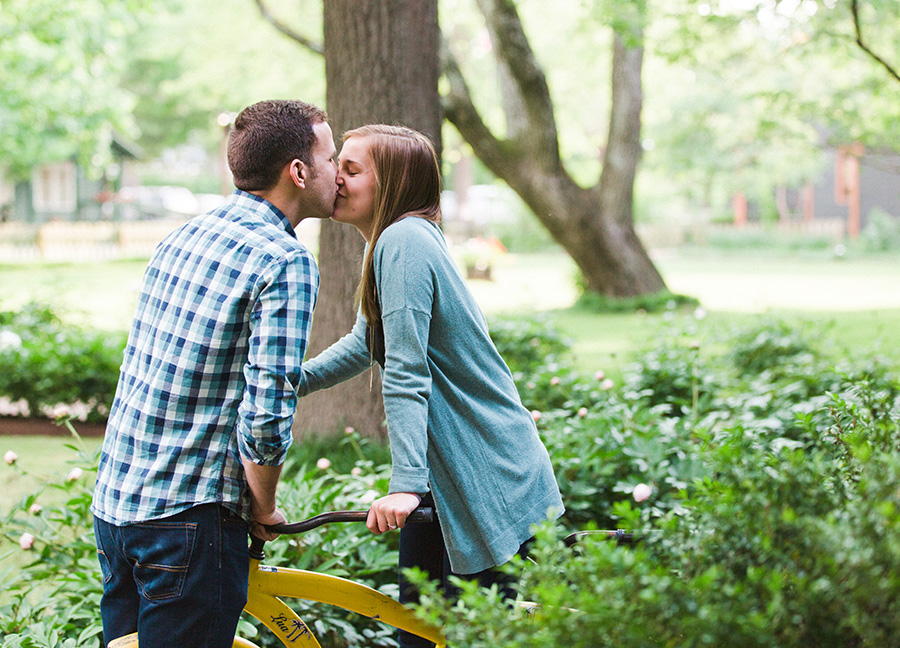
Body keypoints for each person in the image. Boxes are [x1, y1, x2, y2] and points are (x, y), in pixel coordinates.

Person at [297, 124, 564, 647]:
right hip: (464, 476)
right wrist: (287, 382)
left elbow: (406, 370)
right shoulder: (396, 241)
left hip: (485, 470)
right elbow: (365, 343)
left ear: (392, 183)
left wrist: (405, 485)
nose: (337, 179)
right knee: (422, 629)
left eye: (353, 169)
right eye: (338, 166)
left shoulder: (403, 241)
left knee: (474, 631)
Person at [91, 99, 338, 648]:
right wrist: (265, 507)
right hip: (187, 524)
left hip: (116, 508)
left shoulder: (183, 235)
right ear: (298, 172)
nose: (339, 174)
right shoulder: (284, 260)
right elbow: (267, 412)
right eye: (331, 157)